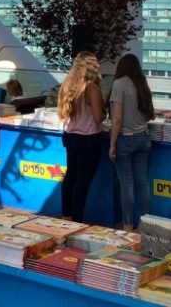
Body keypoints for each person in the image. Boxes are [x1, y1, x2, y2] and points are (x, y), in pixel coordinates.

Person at [108, 53, 156, 231]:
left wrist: (112, 143)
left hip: (125, 139)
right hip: (143, 137)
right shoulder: (142, 84)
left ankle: (127, 227)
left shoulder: (119, 84)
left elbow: (117, 118)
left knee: (127, 184)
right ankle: (145, 226)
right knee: (142, 182)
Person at [57, 52, 106, 223]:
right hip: (88, 139)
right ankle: (77, 220)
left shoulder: (67, 85)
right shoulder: (91, 87)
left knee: (70, 177)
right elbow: (98, 118)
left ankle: (67, 215)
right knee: (82, 182)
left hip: (70, 136)